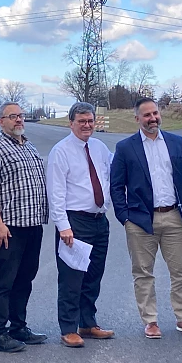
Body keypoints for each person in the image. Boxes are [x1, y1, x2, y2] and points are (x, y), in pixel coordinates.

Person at [110, 97, 182, 339]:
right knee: (143, 272)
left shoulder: (177, 143)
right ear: (137, 118)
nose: (153, 118)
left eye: (155, 113)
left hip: (175, 218)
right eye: (147, 115)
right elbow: (116, 186)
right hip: (140, 221)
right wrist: (125, 217)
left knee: (181, 271)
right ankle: (150, 321)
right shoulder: (126, 148)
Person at [0, 102, 48, 352]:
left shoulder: (28, 146)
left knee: (24, 279)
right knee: (1, 282)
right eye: (13, 117)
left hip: (32, 226)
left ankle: (18, 326)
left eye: (21, 116)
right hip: (7, 229)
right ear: (1, 121)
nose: (19, 120)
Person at [46, 102, 114, 348]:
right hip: (75, 222)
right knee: (72, 277)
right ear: (71, 123)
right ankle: (68, 328)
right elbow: (55, 193)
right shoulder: (60, 151)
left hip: (99, 222)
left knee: (94, 276)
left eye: (90, 121)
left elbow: (109, 176)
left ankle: (87, 322)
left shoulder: (100, 147)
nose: (87, 125)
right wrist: (63, 226)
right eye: (81, 121)